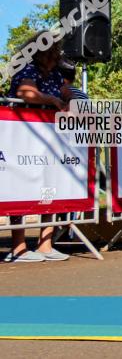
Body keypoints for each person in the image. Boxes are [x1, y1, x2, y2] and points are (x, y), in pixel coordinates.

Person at [5, 34, 71, 262]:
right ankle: (19, 246)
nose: (57, 54)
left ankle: (46, 244)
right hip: (24, 137)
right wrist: (51, 100)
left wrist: (67, 99)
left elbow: (67, 92)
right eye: (53, 50)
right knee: (21, 188)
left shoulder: (55, 73)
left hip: (51, 139)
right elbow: (25, 93)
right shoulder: (27, 69)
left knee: (51, 187)